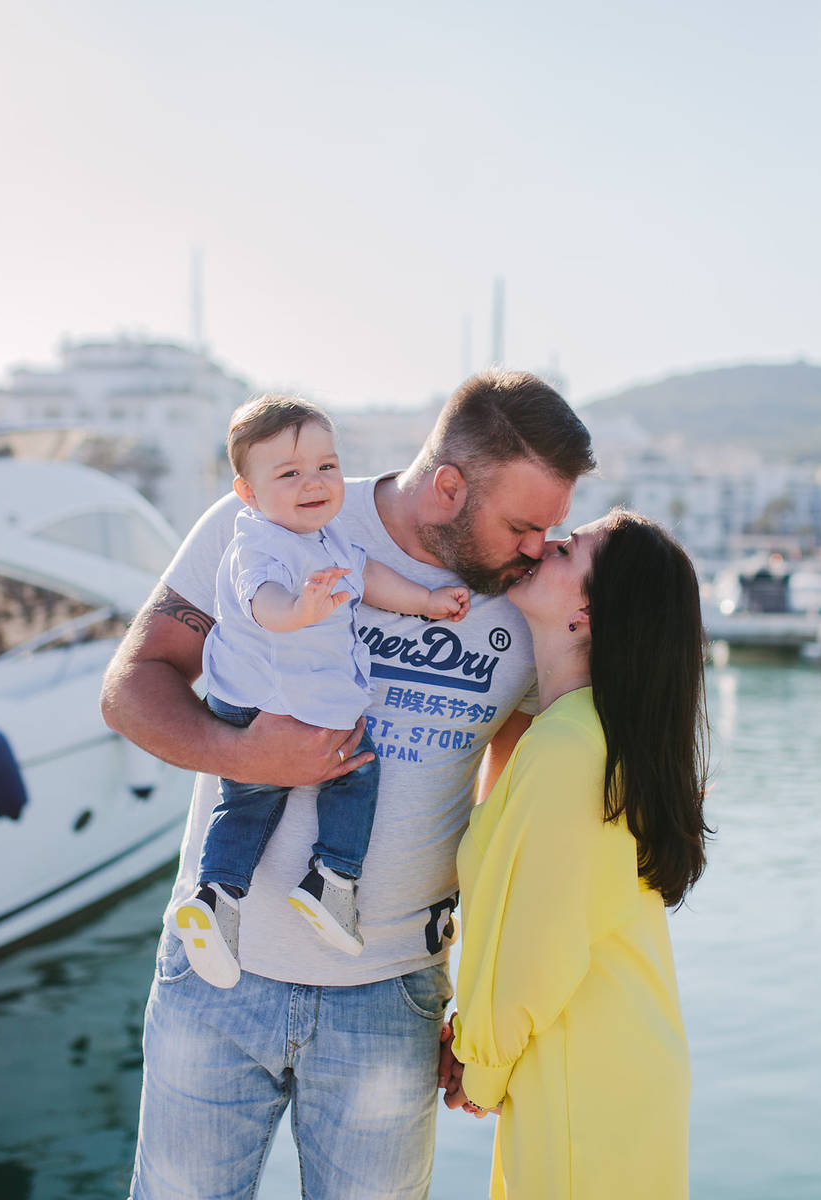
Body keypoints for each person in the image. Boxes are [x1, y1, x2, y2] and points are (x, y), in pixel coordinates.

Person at [102, 370, 594, 1199]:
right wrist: (260, 760)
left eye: (550, 528)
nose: (538, 547)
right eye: (522, 524)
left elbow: (514, 810)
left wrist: (483, 1007)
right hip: (217, 981)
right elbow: (132, 687)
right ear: (448, 488)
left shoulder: (534, 602)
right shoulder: (264, 515)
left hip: (390, 998)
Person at [445, 508, 712, 1200]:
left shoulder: (570, 748)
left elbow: (535, 958)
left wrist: (476, 1067)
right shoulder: (584, 736)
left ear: (589, 611)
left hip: (584, 1083)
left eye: (568, 549)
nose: (542, 546)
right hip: (605, 1070)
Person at [173, 394, 470, 989]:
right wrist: (300, 609)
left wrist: (428, 602)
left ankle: (216, 896)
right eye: (289, 474)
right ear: (248, 493)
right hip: (273, 701)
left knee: (249, 802)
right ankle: (333, 878)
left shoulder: (326, 539)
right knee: (355, 768)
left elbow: (371, 579)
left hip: (268, 697)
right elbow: (263, 604)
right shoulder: (257, 545)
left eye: (326, 467)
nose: (314, 483)